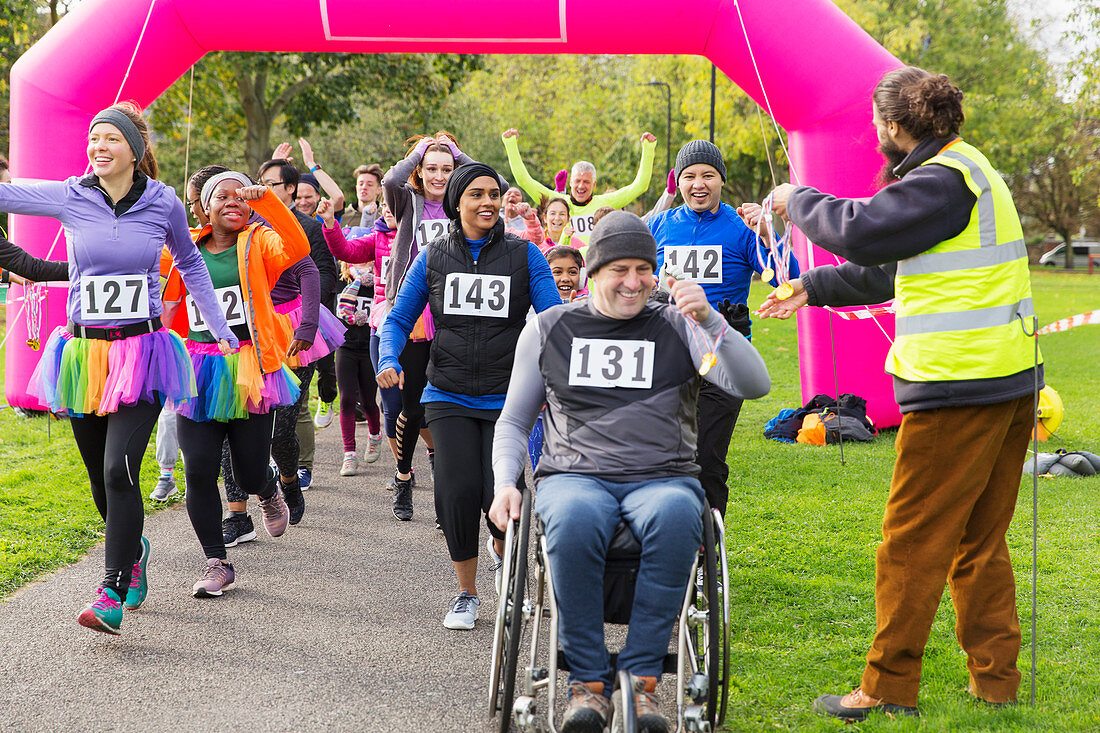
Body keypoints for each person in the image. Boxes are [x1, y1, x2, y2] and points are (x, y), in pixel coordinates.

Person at [756, 67, 1041, 720]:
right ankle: (995, 683)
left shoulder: (940, 179)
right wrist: (813, 288)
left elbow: (858, 229)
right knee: (977, 538)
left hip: (959, 389)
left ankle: (884, 686)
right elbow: (889, 266)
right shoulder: (965, 172)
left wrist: (794, 197)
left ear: (891, 125)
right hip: (1007, 380)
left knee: (909, 544)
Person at [489, 211, 770, 732]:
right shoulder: (548, 328)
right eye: (620, 269)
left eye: (645, 268)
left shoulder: (679, 325)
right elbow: (513, 422)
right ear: (592, 271)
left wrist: (712, 321)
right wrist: (506, 482)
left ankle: (642, 684)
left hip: (663, 475)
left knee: (675, 514)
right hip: (574, 475)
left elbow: (753, 385)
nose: (635, 281)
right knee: (571, 519)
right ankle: (588, 686)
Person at [0, 103, 237, 634]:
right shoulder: (70, 195)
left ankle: (110, 591)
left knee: (119, 470)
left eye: (110, 139)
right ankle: (133, 550)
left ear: (134, 149)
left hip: (143, 353)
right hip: (83, 355)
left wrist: (219, 323)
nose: (99, 147)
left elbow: (192, 261)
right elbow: (5, 193)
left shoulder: (164, 201)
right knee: (97, 478)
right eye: (94, 139)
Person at [377, 162, 560, 629]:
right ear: (456, 202)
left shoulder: (524, 256)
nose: (488, 203)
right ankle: (466, 593)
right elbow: (398, 318)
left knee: (497, 495)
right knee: (455, 492)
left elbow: (552, 319)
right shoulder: (434, 256)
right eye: (476, 194)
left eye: (494, 194)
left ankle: (503, 554)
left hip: (507, 397)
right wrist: (389, 359)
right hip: (448, 392)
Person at [162, 170, 309, 597]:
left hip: (249, 365)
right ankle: (216, 561)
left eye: (241, 196)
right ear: (204, 207)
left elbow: (297, 248)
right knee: (200, 470)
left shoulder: (258, 241)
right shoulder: (183, 248)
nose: (233, 201)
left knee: (246, 470)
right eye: (221, 196)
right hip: (198, 367)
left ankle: (267, 488)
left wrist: (268, 203)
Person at [649, 139, 800, 516]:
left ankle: (707, 559)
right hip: (670, 355)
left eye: (708, 176)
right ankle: (668, 544)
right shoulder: (659, 225)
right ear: (678, 182)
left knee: (706, 461)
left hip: (723, 356)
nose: (698, 184)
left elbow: (788, 280)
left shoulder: (741, 228)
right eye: (689, 176)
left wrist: (767, 232)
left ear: (721, 181)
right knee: (664, 457)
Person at [380, 130, 493, 499]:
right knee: (412, 408)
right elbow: (392, 179)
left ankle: (445, 475)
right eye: (432, 169)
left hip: (454, 310)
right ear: (421, 171)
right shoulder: (407, 201)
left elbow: (497, 181)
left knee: (446, 401)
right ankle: (402, 476)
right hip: (415, 311)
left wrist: (459, 154)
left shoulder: (463, 202)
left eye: (447, 169)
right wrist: (421, 150)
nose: (440, 176)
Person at [256, 157, 339, 482]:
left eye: (271, 185)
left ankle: (299, 467)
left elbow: (322, 272)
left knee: (295, 405)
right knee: (263, 402)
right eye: (260, 183)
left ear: (290, 189)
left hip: (297, 321)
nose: (263, 190)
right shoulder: (250, 223)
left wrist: (309, 313)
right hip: (260, 323)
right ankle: (269, 469)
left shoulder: (308, 226)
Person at [319, 198, 401, 476]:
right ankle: (349, 454)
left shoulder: (413, 242)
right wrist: (330, 223)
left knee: (372, 401)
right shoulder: (370, 246)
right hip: (352, 343)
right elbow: (345, 249)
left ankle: (380, 437)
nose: (388, 210)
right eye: (385, 205)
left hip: (385, 338)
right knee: (346, 399)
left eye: (395, 204)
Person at [502, 128, 657, 242]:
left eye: (586, 182)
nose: (581, 186)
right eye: (577, 181)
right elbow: (524, 180)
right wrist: (511, 144)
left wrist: (648, 149)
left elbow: (639, 186)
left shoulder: (604, 202)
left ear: (594, 184)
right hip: (564, 270)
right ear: (570, 182)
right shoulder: (558, 202)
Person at [341, 163, 384, 230]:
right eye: (361, 184)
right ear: (356, 188)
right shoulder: (342, 216)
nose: (364, 187)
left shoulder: (385, 216)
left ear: (379, 190)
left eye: (369, 185)